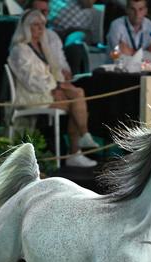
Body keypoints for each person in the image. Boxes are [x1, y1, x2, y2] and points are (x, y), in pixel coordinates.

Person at [8, 9, 99, 167]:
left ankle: (80, 144)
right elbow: (30, 80)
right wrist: (55, 87)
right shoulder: (19, 50)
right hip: (31, 96)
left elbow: (55, 71)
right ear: (26, 27)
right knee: (77, 104)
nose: (40, 28)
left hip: (47, 92)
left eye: (43, 24)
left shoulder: (43, 47)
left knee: (79, 94)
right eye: (36, 25)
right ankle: (77, 148)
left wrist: (59, 87)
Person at [28, 0, 73, 80]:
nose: (41, 16)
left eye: (45, 12)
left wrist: (66, 72)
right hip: (43, 84)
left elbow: (62, 61)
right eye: (38, 12)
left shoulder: (52, 36)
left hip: (60, 81)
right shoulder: (22, 45)